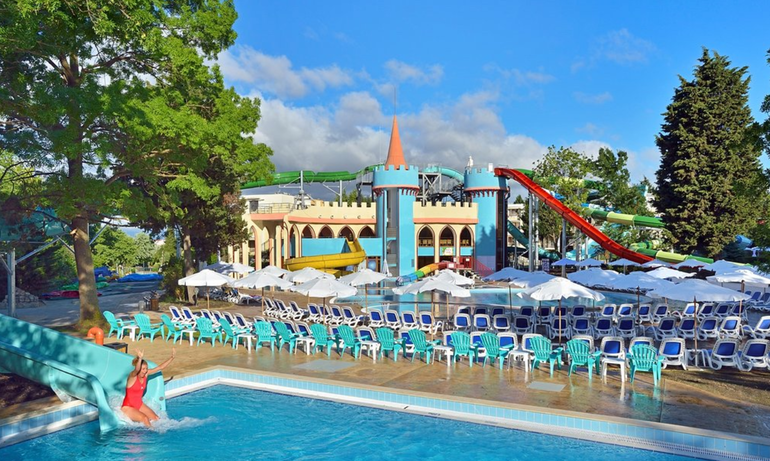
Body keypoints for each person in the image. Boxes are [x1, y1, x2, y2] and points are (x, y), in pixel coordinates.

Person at [122, 348, 175, 427]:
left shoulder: (146, 374)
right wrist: (140, 358)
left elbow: (160, 367)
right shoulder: (133, 376)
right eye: (143, 369)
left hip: (139, 404)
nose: (145, 371)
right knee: (145, 419)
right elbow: (136, 369)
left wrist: (172, 358)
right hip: (127, 407)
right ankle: (153, 433)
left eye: (146, 369)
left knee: (156, 418)